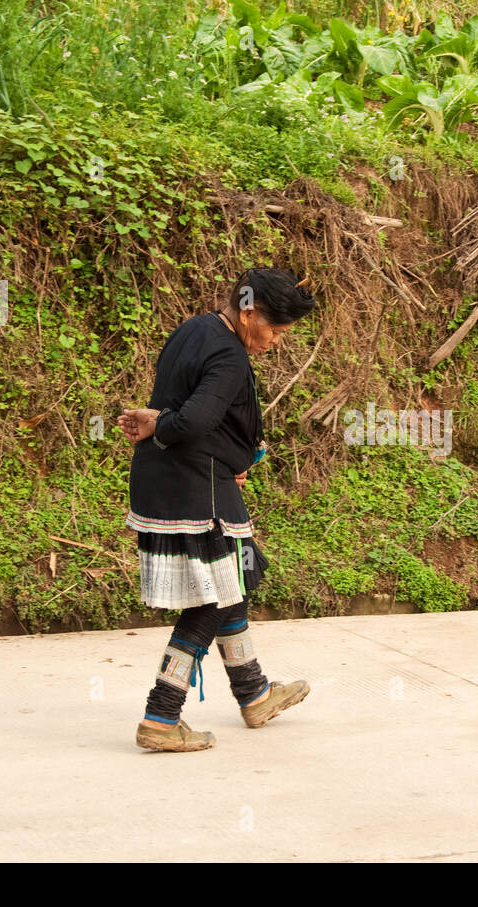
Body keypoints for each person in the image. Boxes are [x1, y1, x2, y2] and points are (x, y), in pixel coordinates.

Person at [117, 268, 314, 752]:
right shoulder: (229, 355)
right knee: (214, 595)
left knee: (235, 580)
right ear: (248, 313)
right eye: (274, 330)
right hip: (195, 488)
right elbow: (193, 419)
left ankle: (254, 693)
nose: (275, 341)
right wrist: (163, 423)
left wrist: (224, 455)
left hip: (178, 478)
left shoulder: (196, 328)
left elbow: (196, 418)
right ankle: (161, 716)